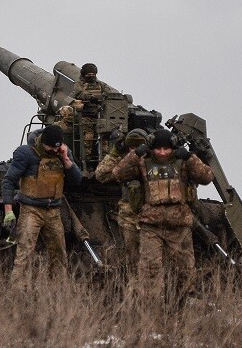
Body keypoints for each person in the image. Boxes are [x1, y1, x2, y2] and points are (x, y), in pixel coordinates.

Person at [112, 129, 214, 306]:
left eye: (166, 149)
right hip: (151, 226)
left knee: (185, 272)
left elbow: (206, 177)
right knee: (150, 270)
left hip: (179, 226)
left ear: (173, 148)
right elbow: (118, 174)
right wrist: (135, 154)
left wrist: (190, 157)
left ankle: (176, 307)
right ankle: (151, 312)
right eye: (158, 149)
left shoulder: (183, 163)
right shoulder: (144, 163)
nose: (162, 153)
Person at [1, 124, 83, 287]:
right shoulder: (26, 153)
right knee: (24, 254)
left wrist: (66, 159)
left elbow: (77, 180)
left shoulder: (62, 153)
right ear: (43, 142)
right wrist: (8, 211)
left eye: (56, 147)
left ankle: (58, 291)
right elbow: (8, 182)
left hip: (53, 211)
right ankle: (17, 292)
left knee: (59, 255)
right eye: (50, 147)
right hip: (31, 210)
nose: (53, 151)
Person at [94, 128, 148, 276]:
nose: (135, 150)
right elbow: (101, 175)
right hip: (129, 215)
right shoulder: (123, 161)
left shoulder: (153, 160)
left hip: (152, 215)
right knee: (131, 257)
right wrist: (115, 153)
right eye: (131, 147)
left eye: (138, 147)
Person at [70, 63, 119, 165]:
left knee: (104, 139)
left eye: (93, 74)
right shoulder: (78, 84)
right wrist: (89, 98)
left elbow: (110, 92)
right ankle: (86, 162)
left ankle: (104, 162)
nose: (91, 76)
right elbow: (77, 94)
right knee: (88, 139)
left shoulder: (100, 84)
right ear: (84, 74)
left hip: (99, 116)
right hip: (85, 116)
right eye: (89, 74)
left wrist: (104, 97)